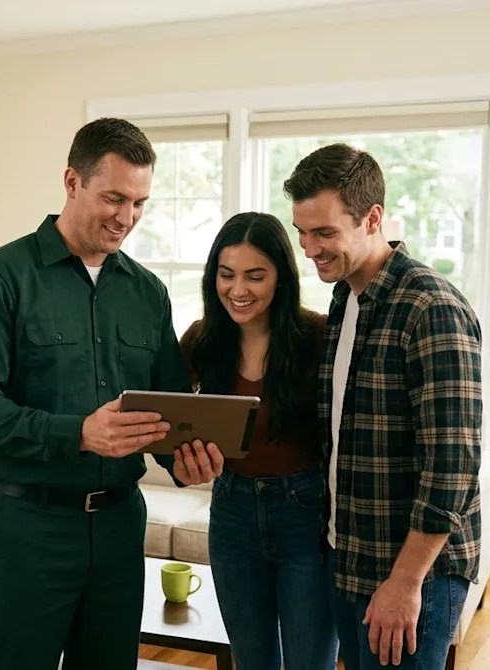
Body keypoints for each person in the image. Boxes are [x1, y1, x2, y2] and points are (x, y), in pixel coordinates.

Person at [0, 117, 226, 670]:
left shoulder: (147, 292)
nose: (127, 218)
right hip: (30, 528)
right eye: (114, 198)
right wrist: (77, 433)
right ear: (72, 182)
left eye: (140, 202)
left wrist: (186, 460)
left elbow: (168, 406)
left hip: (122, 529)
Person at [284, 143, 482, 669]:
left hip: (411, 575)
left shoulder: (430, 308)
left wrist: (405, 581)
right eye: (302, 231)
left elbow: (452, 469)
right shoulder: (345, 298)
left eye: (324, 232)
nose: (309, 248)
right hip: (349, 559)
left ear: (372, 218)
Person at [179, 212, 339, 670]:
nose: (238, 290)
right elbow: (165, 418)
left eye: (255, 276)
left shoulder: (318, 336)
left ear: (282, 279)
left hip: (305, 518)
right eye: (226, 275)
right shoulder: (202, 340)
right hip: (231, 516)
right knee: (251, 662)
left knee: (310, 662)